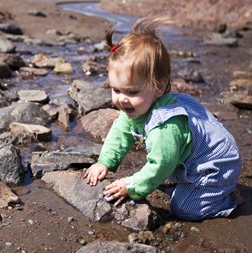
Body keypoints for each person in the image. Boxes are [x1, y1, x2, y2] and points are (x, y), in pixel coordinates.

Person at [82, 15, 243, 221]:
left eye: (131, 92)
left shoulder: (165, 124)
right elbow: (120, 133)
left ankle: (226, 198)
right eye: (115, 89)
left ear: (158, 86)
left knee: (183, 209)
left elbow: (162, 163)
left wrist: (131, 186)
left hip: (215, 166)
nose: (121, 99)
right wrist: (104, 162)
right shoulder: (136, 107)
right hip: (198, 157)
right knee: (169, 181)